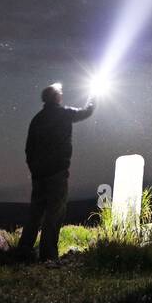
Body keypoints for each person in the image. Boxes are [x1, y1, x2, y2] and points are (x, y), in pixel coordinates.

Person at [16, 82, 95, 262]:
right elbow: (87, 111)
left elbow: (29, 149)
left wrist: (34, 169)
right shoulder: (64, 113)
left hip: (39, 176)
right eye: (60, 92)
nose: (62, 94)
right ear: (56, 97)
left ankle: (23, 251)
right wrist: (94, 95)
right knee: (55, 212)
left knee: (35, 213)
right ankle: (48, 256)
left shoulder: (37, 119)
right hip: (57, 173)